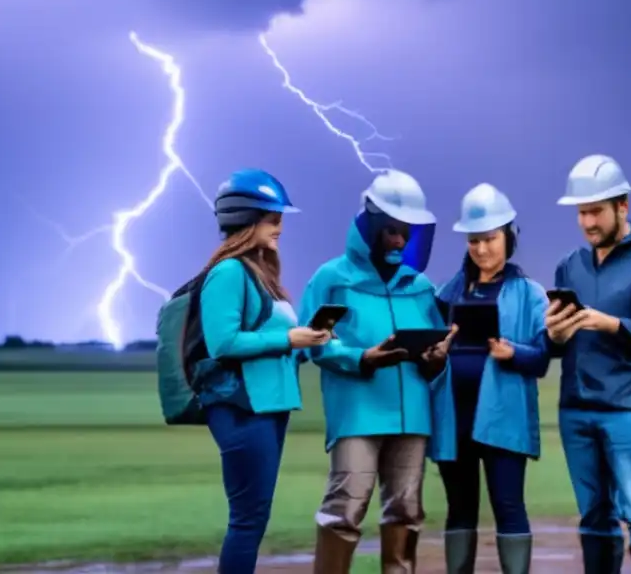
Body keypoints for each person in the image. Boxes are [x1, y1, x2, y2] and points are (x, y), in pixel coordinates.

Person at [300, 169, 455, 574]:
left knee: (406, 511)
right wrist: (362, 358)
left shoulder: (420, 287)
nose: (400, 241)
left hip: (412, 418)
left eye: (406, 233)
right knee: (344, 510)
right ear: (368, 224)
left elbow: (433, 351)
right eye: (391, 231)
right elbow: (313, 341)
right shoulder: (331, 280)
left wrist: (437, 358)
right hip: (358, 416)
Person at [543, 155, 631, 574]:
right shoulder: (570, 265)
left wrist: (613, 324)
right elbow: (555, 344)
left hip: (628, 409)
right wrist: (553, 337)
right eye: (581, 212)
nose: (587, 222)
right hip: (576, 408)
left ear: (622, 206)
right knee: (594, 517)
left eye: (595, 211)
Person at [189, 169, 332, 574]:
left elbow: (279, 343)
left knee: (254, 517)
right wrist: (290, 339)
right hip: (241, 409)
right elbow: (224, 343)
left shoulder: (260, 274)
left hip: (268, 406)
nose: (280, 228)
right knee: (248, 520)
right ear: (246, 219)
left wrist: (315, 343)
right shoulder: (229, 273)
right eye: (273, 218)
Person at [430, 183, 551, 574]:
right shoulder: (447, 294)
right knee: (459, 509)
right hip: (456, 419)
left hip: (504, 420)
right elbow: (429, 354)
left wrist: (514, 353)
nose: (481, 249)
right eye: (474, 241)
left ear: (509, 237)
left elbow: (543, 358)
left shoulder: (530, 294)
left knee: (508, 506)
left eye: (490, 239)